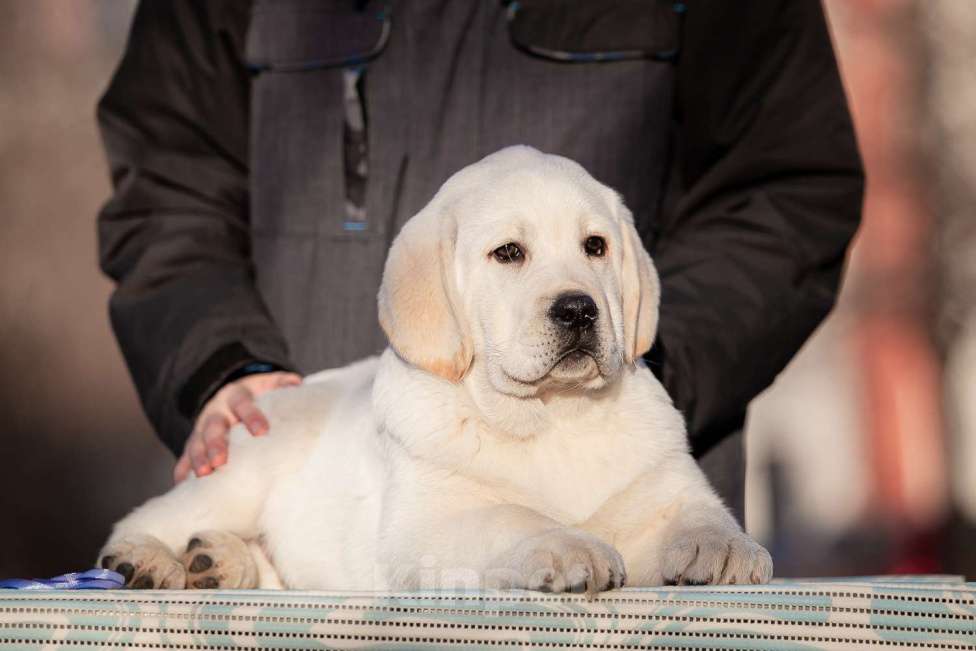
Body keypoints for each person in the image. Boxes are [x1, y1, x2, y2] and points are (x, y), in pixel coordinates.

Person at [97, 0, 863, 522]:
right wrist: (223, 365)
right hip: (322, 538)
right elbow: (170, 183)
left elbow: (785, 183)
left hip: (618, 540)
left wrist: (644, 356)